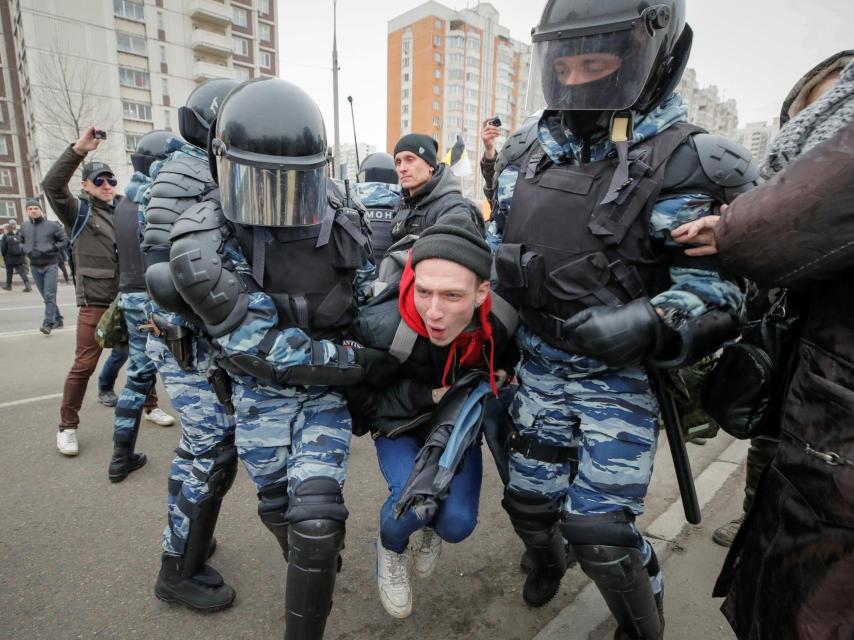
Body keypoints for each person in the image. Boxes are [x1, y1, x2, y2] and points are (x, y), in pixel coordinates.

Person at [488, 1, 755, 636]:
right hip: (538, 367)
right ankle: (542, 557)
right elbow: (504, 254)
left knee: (601, 533)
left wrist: (652, 321)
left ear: (650, 57)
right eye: (568, 62)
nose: (579, 79)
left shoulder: (694, 162)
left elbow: (726, 292)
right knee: (529, 505)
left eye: (599, 61)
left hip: (621, 379)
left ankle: (642, 627)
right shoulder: (524, 153)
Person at [166, 78, 397, 638]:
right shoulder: (203, 234)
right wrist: (358, 360)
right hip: (259, 396)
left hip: (324, 398)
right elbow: (258, 350)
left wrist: (388, 318)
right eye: (258, 180)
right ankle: (309, 562)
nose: (276, 198)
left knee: (317, 523)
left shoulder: (342, 210)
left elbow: (371, 291)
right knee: (280, 512)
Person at [671, 53, 854, 639]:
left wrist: (728, 231)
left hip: (831, 431)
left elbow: (775, 231)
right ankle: (755, 512)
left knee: (805, 594)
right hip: (808, 392)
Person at [345, 215, 518, 619]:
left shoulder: (502, 320)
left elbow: (508, 361)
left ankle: (427, 529)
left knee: (455, 524)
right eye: (424, 291)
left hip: (456, 429)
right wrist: (429, 394)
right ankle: (390, 549)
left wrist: (501, 376)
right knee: (414, 507)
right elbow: (363, 407)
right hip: (399, 426)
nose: (434, 312)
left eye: (452, 296)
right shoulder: (382, 327)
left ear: (481, 293)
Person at [141, 78, 242, 612]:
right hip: (189, 342)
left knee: (197, 448)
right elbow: (165, 271)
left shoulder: (201, 167)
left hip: (193, 338)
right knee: (213, 448)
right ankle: (177, 571)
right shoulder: (188, 171)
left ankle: (188, 538)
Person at [43, 127, 120, 456]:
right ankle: (67, 426)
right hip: (96, 301)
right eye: (99, 180)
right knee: (84, 365)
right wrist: (78, 151)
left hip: (127, 299)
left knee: (146, 358)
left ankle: (149, 405)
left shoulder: (123, 212)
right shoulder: (79, 212)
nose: (106, 185)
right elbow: (52, 186)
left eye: (111, 180)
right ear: (86, 184)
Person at [105, 130, 177, 483]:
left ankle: (121, 457)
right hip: (161, 297)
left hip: (132, 297)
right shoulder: (159, 199)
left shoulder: (123, 204)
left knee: (137, 378)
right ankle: (213, 450)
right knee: (197, 374)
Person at [388, 133, 483, 243]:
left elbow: (451, 251)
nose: (402, 168)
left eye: (410, 159)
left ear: (430, 165)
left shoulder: (452, 207)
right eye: (398, 162)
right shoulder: (401, 205)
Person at [19, 199, 65, 333]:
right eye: (30, 209)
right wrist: (24, 248)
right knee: (46, 296)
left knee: (49, 295)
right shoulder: (24, 226)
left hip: (50, 264)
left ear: (41, 210)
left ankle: (48, 323)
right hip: (34, 266)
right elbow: (20, 240)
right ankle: (58, 318)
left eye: (35, 208)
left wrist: (53, 248)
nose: (33, 210)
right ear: (27, 211)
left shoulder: (53, 226)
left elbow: (64, 240)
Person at [353, 152, 401, 257]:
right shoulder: (406, 204)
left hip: (358, 271)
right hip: (393, 271)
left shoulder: (349, 204)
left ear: (362, 176)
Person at [1, 219, 32, 292]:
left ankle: (8, 286)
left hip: (9, 258)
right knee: (22, 272)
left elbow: (3, 248)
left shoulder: (5, 237)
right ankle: (27, 284)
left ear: (6, 230)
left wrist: (4, 256)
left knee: (9, 272)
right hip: (18, 257)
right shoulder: (17, 236)